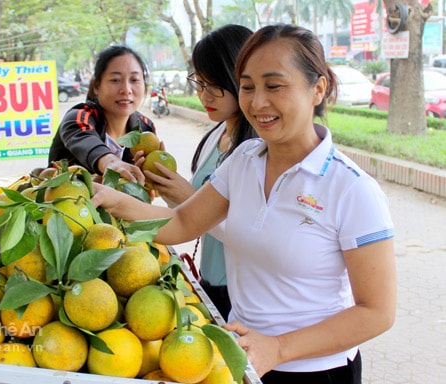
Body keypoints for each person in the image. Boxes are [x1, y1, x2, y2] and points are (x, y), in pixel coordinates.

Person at [91, 23, 396, 383]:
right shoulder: (245, 159)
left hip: (316, 371)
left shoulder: (352, 189)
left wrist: (280, 348)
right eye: (247, 87)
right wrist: (107, 199)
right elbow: (181, 223)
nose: (257, 102)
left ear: (318, 88)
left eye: (274, 85)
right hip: (243, 359)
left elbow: (377, 312)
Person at [143, 24, 257, 320]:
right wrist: (166, 187)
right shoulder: (214, 136)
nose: (204, 95)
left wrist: (191, 198)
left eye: (214, 85)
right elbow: (189, 217)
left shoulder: (257, 150)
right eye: (199, 83)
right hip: (211, 282)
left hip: (243, 293)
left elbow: (255, 235)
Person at [48, 45, 157, 183]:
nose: (126, 89)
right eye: (115, 80)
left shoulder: (145, 128)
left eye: (134, 80)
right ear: (96, 86)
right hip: (68, 203)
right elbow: (84, 140)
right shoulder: (80, 117)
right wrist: (110, 162)